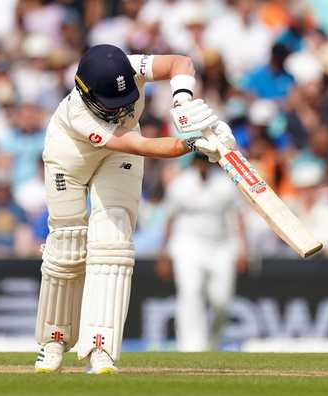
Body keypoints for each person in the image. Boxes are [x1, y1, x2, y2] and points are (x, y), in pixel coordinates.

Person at [33, 44, 236, 374]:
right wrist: (193, 144)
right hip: (69, 159)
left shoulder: (132, 66)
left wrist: (183, 103)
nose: (119, 110)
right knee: (67, 246)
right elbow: (140, 144)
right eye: (109, 105)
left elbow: (180, 62)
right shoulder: (81, 115)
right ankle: (53, 340)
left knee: (113, 243)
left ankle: (101, 347)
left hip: (118, 155)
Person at [156, 154, 247, 352]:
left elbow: (238, 217)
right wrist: (163, 253)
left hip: (221, 246)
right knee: (190, 292)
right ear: (194, 163)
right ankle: (190, 347)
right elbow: (169, 219)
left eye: (207, 161)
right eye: (200, 161)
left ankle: (214, 343)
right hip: (187, 245)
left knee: (222, 300)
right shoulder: (181, 184)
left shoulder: (225, 184)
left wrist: (242, 249)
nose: (203, 166)